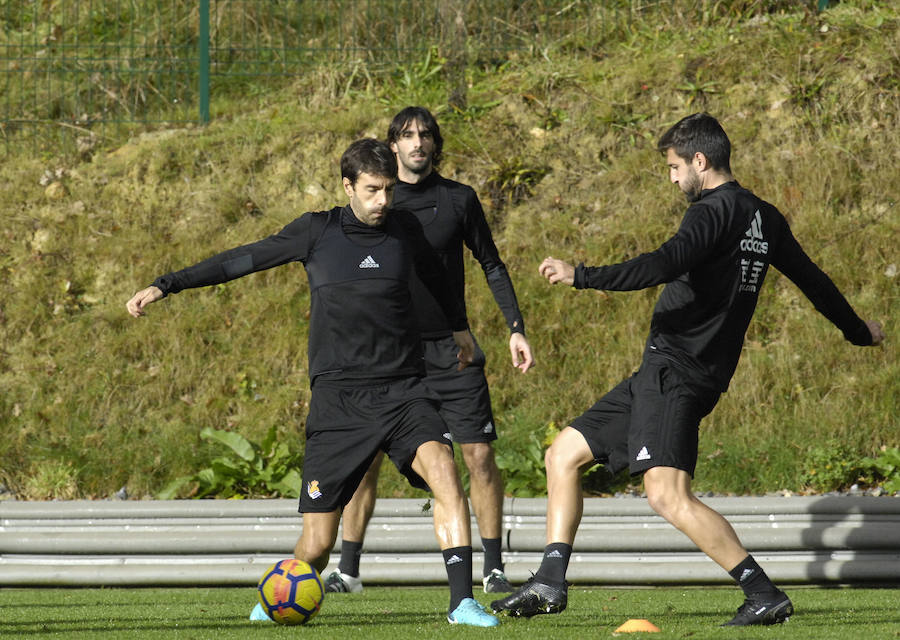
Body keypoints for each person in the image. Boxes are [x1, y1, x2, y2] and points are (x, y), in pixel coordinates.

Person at [490, 113, 885, 626]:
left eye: (675, 167)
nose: (673, 178)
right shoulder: (762, 216)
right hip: (664, 372)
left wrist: (581, 274)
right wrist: (858, 331)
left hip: (677, 373)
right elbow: (815, 281)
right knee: (563, 454)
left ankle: (762, 593)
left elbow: (665, 262)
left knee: (666, 494)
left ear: (700, 161)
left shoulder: (710, 211)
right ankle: (548, 583)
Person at [125, 138, 499, 627]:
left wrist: (460, 331)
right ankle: (280, 594)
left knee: (446, 474)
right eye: (372, 190)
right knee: (319, 544)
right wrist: (168, 283)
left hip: (405, 390)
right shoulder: (317, 232)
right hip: (339, 401)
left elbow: (439, 281)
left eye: (388, 189)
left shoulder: (405, 229)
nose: (383, 201)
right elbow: (242, 259)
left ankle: (461, 602)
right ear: (348, 186)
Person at [324, 107, 535, 597]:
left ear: (435, 144)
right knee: (367, 459)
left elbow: (492, 264)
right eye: (406, 135)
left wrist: (515, 327)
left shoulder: (458, 200)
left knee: (478, 455)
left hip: (451, 351)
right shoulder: (373, 207)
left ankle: (494, 567)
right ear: (391, 145)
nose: (417, 143)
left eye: (425, 135)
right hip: (390, 356)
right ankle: (348, 570)